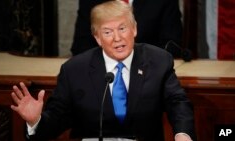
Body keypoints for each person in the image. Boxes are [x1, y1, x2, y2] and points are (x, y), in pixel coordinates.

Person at [10, 1, 196, 141]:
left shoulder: (158, 61)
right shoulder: (74, 70)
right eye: (107, 32)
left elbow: (177, 102)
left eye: (122, 28)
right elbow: (57, 120)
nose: (117, 38)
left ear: (134, 30)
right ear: (97, 38)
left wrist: (183, 134)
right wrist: (36, 121)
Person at [71, 0, 183, 57]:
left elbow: (172, 44)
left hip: (150, 72)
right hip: (102, 72)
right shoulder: (90, 2)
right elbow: (81, 46)